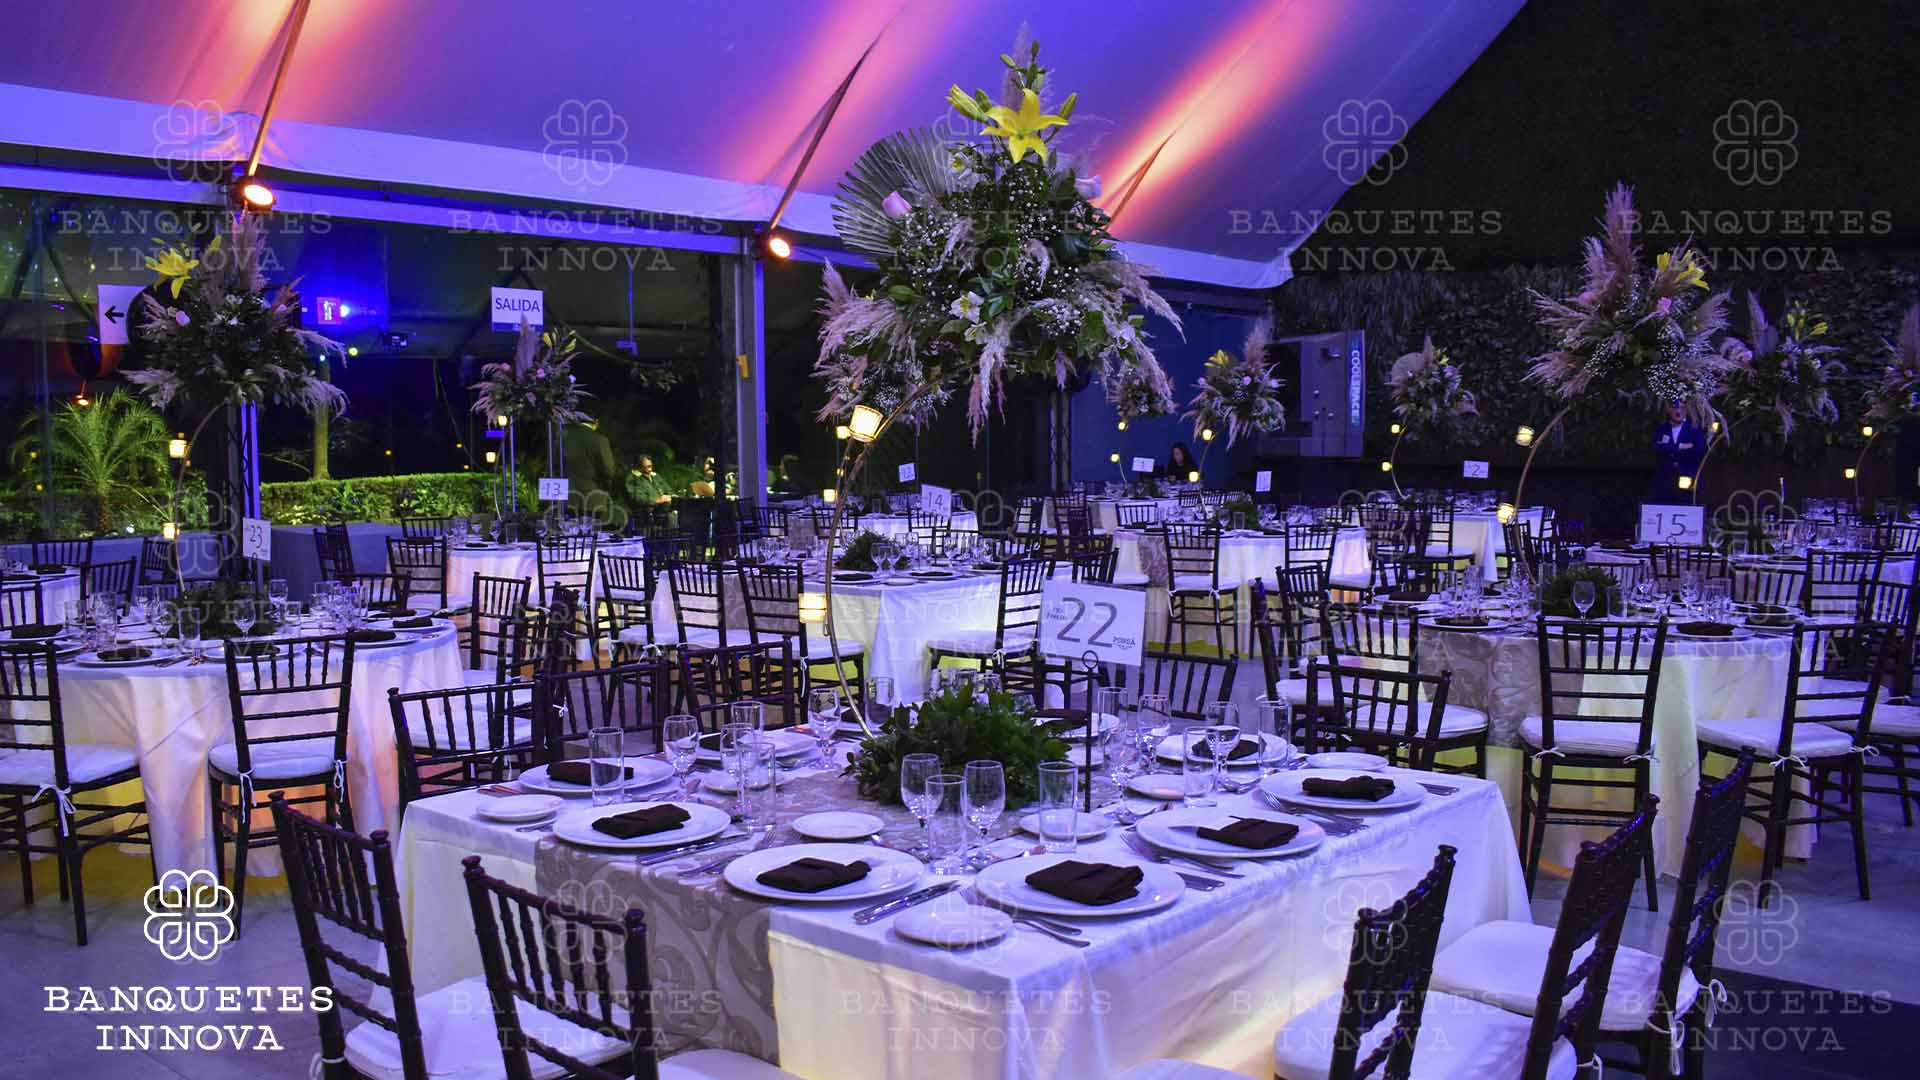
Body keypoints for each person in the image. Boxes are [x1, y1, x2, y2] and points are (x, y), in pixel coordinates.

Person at [1651, 402, 1706, 497]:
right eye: (1674, 408)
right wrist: (1679, 447)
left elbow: (1699, 451)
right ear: (1668, 410)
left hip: (1687, 475)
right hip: (1665, 477)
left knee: (1685, 501)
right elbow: (1657, 447)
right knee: (1664, 501)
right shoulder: (1662, 429)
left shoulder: (1694, 429)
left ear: (1687, 410)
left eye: (1682, 408)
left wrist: (1669, 449)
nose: (1678, 411)